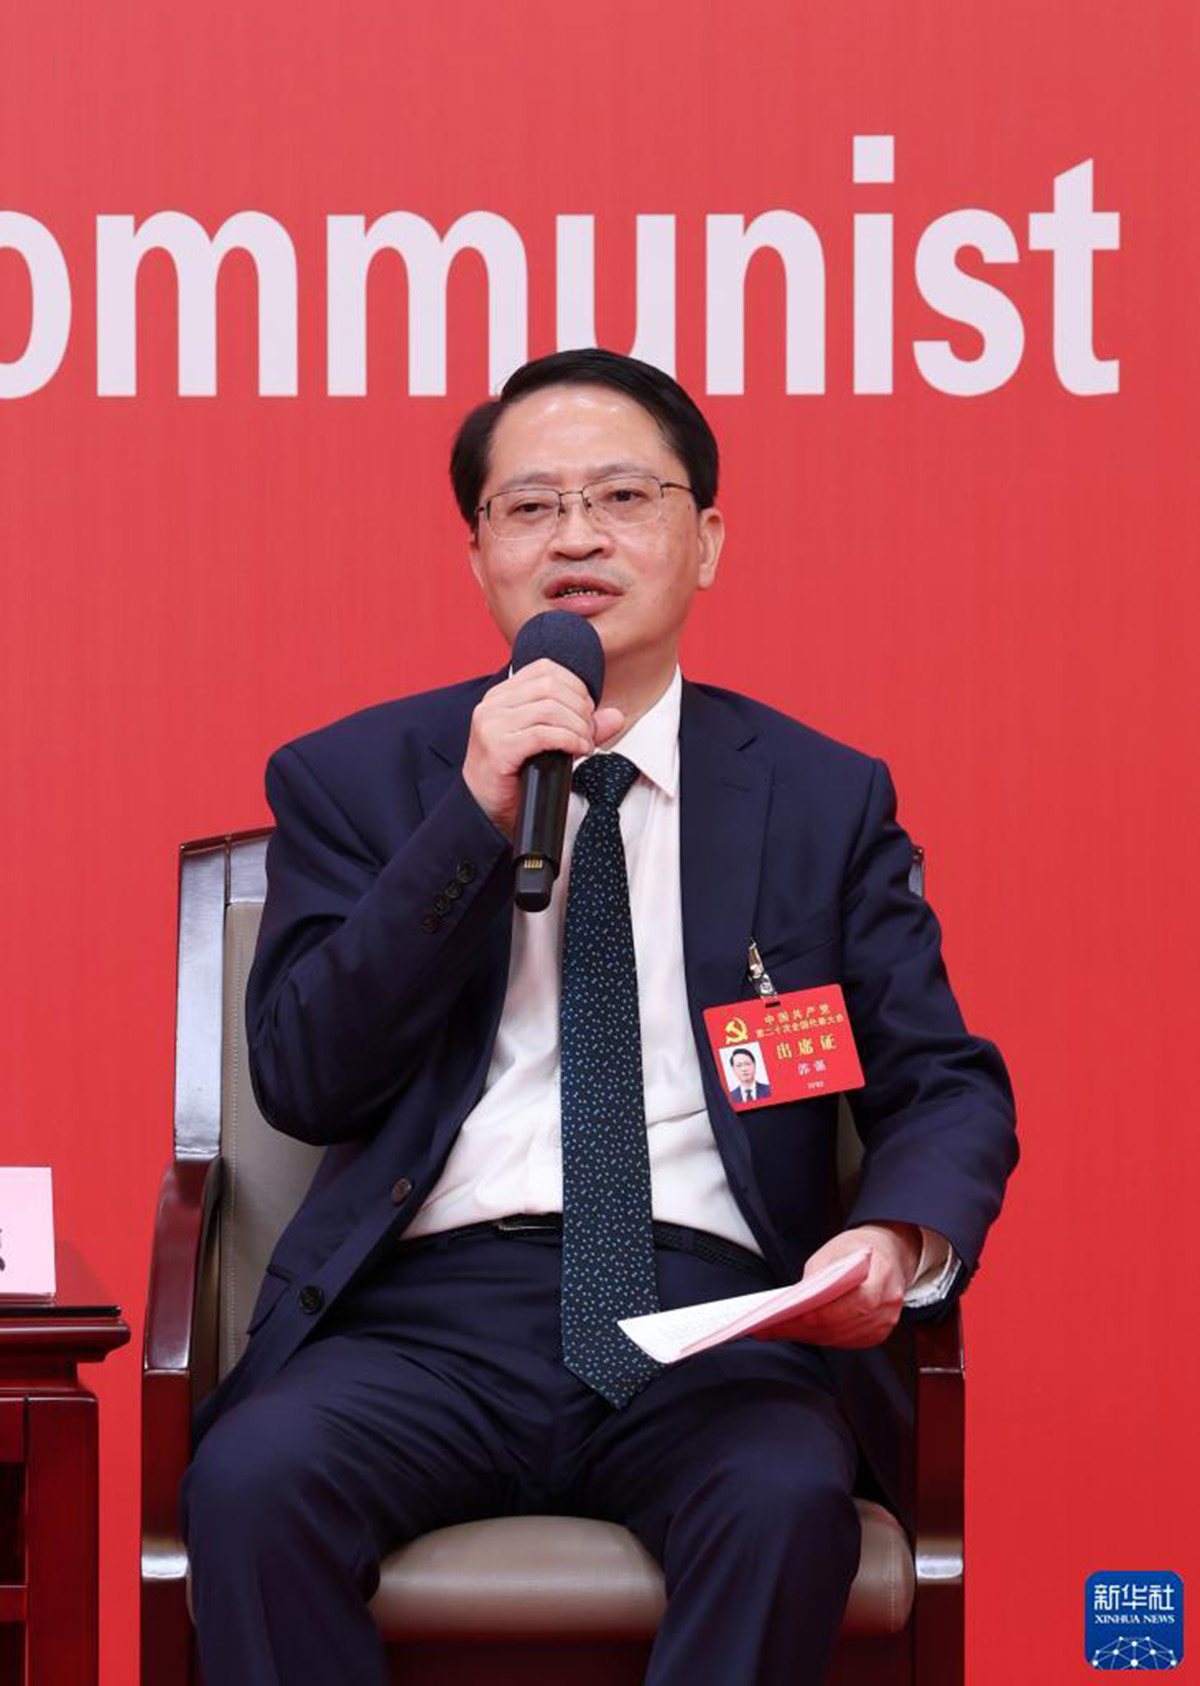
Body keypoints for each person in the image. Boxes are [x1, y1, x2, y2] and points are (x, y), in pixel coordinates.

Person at [180, 348, 1018, 1686]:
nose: (576, 536)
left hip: (710, 1318)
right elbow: (306, 1078)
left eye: (624, 496)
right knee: (254, 1479)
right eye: (530, 506)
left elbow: (944, 1082)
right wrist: (470, 819)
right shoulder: (355, 777)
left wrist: (897, 1235)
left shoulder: (820, 797)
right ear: (479, 557)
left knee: (782, 1497)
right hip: (426, 1312)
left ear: (707, 540)